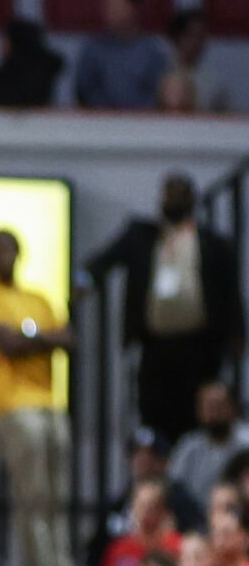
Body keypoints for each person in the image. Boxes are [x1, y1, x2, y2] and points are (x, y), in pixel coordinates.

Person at [102, 175, 244, 449]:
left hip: (200, 346)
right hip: (157, 347)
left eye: (181, 194)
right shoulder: (144, 236)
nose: (174, 200)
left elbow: (230, 292)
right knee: (155, 414)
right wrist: (83, 279)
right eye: (170, 194)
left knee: (198, 416)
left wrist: (237, 334)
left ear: (192, 200)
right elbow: (106, 260)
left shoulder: (213, 242)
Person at [0, 227, 75, 566]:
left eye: (12, 250)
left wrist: (30, 337)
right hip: (11, 404)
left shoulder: (38, 298)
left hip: (48, 401)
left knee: (57, 493)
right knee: (34, 494)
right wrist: (42, 339)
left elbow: (69, 339)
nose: (6, 257)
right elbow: (8, 345)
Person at [74, 0, 169, 110]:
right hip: (101, 122)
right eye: (107, 6)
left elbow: (159, 91)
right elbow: (84, 90)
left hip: (144, 122)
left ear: (134, 8)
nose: (109, 11)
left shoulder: (153, 49)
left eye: (116, 6)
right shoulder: (93, 48)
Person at [170, 382, 249, 513]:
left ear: (232, 407)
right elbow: (174, 485)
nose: (215, 412)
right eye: (209, 407)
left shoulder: (246, 441)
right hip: (198, 519)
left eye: (220, 405)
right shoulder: (189, 447)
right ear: (199, 411)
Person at [0, 17, 64, 108]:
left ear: (16, 42)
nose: (1, 45)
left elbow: (21, 100)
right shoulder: (7, 69)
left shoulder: (33, 71)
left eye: (5, 40)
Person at [166, 9, 230, 113]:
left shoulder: (214, 83)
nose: (197, 42)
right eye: (192, 35)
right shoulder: (160, 74)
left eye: (201, 36)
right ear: (177, 36)